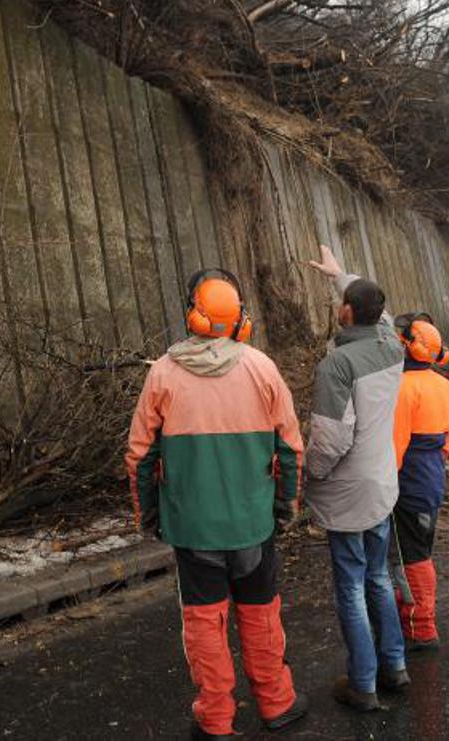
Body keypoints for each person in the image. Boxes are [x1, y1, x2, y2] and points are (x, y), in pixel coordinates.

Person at [125, 269, 308, 740]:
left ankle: (216, 718)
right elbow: (290, 447)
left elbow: (140, 456)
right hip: (253, 525)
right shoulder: (262, 367)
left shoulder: (163, 373)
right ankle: (276, 702)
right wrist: (285, 503)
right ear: (240, 319)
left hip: (193, 529)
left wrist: (149, 513)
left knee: (205, 625)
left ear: (193, 315)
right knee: (262, 614)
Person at [304, 244, 409, 712]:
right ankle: (395, 666)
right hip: (382, 485)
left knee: (350, 584)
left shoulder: (337, 365)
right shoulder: (392, 346)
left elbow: (329, 441)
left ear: (346, 313)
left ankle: (364, 683)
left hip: (347, 492)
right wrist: (340, 274)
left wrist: (306, 477)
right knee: (380, 577)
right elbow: (379, 314)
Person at [390, 313, 449, 652]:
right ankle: (416, 617)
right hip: (432, 476)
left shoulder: (402, 388)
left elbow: (396, 446)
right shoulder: (445, 386)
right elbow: (447, 441)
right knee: (420, 549)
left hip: (408, 481)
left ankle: (421, 626)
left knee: (410, 554)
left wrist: (384, 485)